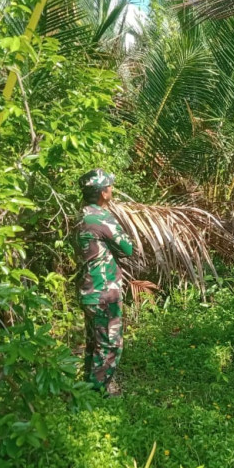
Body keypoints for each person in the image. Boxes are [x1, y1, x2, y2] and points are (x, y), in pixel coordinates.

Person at [76, 169, 134, 395]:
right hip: (104, 290)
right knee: (109, 344)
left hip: (87, 289)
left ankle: (87, 388)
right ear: (103, 193)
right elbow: (127, 248)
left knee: (93, 343)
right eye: (109, 186)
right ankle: (98, 394)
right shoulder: (101, 218)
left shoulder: (80, 217)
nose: (112, 189)